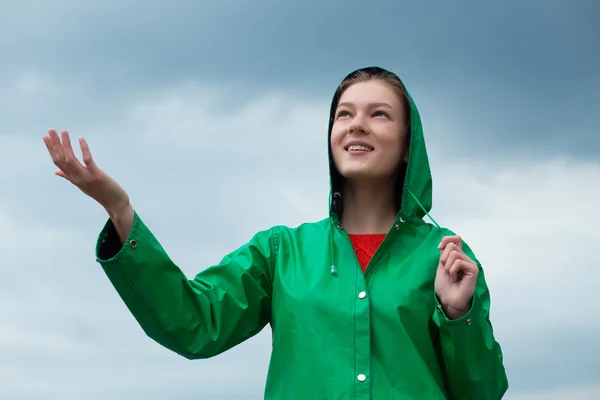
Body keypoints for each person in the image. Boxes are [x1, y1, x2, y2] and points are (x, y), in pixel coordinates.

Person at [42, 66, 509, 399]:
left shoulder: (446, 259)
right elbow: (193, 323)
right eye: (344, 114)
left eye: (379, 114)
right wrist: (119, 209)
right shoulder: (281, 252)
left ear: (409, 146)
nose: (356, 124)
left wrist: (458, 314)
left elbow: (483, 392)